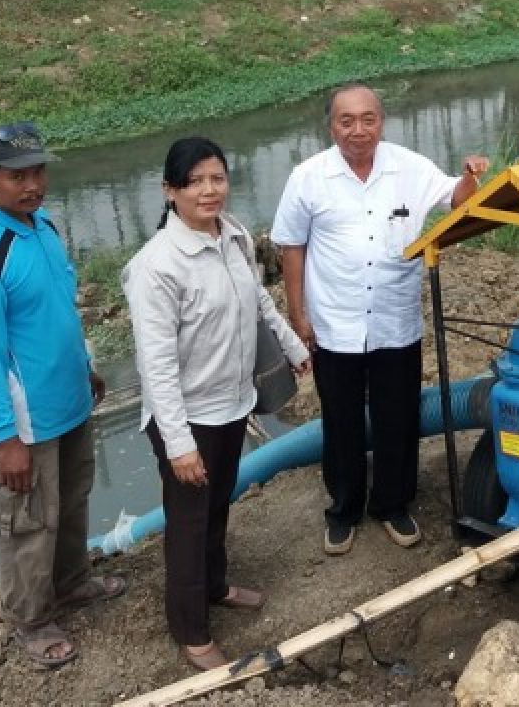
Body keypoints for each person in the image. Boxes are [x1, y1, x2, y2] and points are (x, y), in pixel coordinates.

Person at [270, 83, 487, 556]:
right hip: (335, 323)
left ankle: (392, 503)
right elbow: (292, 247)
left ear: (381, 122)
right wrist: (298, 315)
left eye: (367, 119)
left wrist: (471, 175)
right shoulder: (308, 177)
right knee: (342, 421)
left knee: (398, 416)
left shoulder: (407, 166)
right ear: (331, 127)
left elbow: (456, 198)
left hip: (394, 320)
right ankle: (343, 510)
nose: (358, 130)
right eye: (346, 121)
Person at [0, 121, 126, 670]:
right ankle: (31, 619)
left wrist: (87, 365)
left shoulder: (41, 225)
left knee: (71, 500)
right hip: (24, 423)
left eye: (38, 171)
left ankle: (71, 584)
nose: (33, 184)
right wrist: (6, 437)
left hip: (68, 401)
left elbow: (60, 308)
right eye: (17, 176)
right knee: (26, 521)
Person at [122, 137, 309, 671]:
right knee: (187, 521)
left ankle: (216, 585)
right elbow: (155, 366)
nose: (209, 190)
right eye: (195, 181)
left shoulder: (236, 236)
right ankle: (191, 629)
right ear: (170, 191)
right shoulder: (156, 266)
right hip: (188, 417)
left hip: (231, 403)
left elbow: (257, 301)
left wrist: (293, 347)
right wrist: (178, 444)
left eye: (217, 178)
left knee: (219, 503)